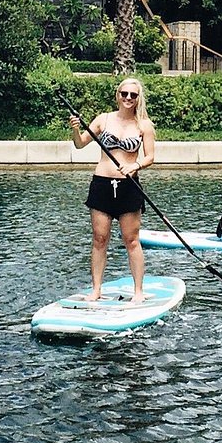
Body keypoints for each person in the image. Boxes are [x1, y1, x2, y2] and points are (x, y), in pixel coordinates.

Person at [68, 77, 156, 302]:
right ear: (118, 95)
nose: (128, 98)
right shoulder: (103, 120)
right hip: (102, 184)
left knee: (131, 240)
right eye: (124, 94)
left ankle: (138, 291)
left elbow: (150, 157)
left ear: (138, 99)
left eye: (133, 95)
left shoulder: (143, 125)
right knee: (99, 238)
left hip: (129, 186)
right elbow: (80, 144)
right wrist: (76, 130)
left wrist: (134, 165)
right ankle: (96, 290)